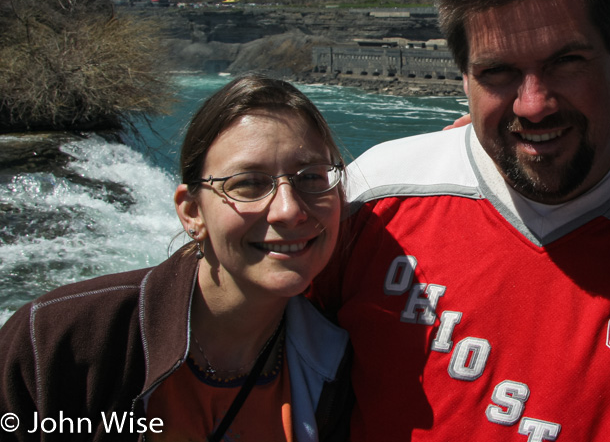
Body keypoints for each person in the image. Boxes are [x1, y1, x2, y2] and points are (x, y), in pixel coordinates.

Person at [312, 0, 610, 440]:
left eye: (567, 61)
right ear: (463, 78)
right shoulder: (374, 200)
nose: (534, 104)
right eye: (498, 72)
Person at [0, 75, 352, 441]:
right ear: (192, 213)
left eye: (311, 178)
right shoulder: (57, 341)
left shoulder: (340, 365)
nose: (288, 210)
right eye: (248, 183)